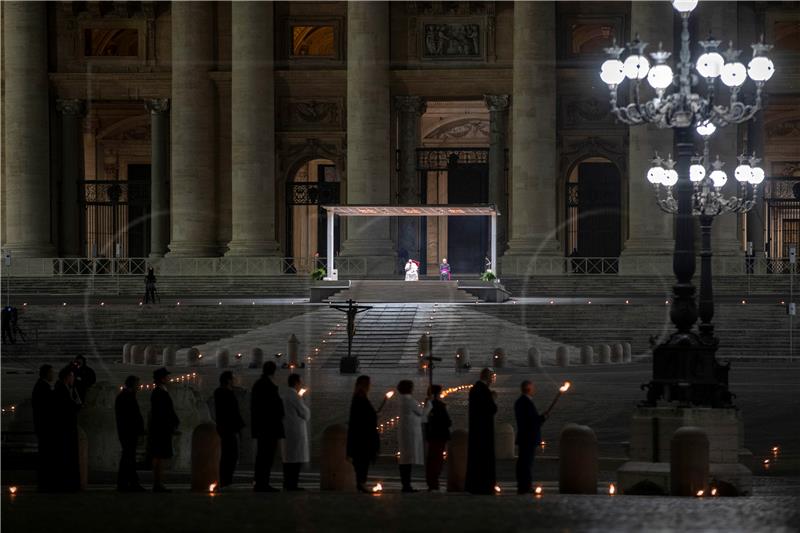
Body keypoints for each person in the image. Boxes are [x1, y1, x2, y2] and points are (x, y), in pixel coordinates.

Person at [346, 375, 386, 493]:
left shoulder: (358, 397)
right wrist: (374, 415)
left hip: (360, 435)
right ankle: (361, 483)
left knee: (361, 460)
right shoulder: (361, 398)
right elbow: (364, 417)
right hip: (363, 436)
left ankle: (361, 482)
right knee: (362, 460)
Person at [251, 361, 284, 492]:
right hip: (269, 427)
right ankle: (262, 483)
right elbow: (273, 407)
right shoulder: (268, 386)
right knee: (266, 456)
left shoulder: (259, 384)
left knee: (262, 456)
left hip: (262, 426)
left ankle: (260, 482)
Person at [465, 367, 498, 495]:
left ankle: (474, 485)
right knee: (484, 460)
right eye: (492, 376)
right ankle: (484, 485)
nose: (493, 379)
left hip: (476, 430)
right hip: (484, 432)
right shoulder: (484, 391)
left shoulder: (475, 389)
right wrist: (493, 399)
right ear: (487, 377)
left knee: (475, 460)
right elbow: (490, 409)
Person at [147, 367, 179, 493]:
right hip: (161, 429)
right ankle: (158, 483)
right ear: (162, 378)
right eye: (166, 376)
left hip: (160, 428)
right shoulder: (159, 393)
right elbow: (164, 411)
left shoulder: (159, 392)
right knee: (159, 456)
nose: (169, 378)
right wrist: (171, 424)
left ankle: (158, 483)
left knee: (159, 456)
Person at [514, 380, 547, 494]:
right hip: (528, 438)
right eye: (533, 388)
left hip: (524, 437)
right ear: (529, 389)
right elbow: (531, 422)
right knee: (526, 463)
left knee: (524, 463)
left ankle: (523, 485)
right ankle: (525, 486)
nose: (534, 390)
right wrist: (541, 418)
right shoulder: (526, 403)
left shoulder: (520, 402)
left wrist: (540, 418)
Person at [52, 366, 82, 491]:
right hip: (65, 429)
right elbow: (72, 407)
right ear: (67, 377)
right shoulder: (62, 390)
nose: (73, 378)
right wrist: (76, 402)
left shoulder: (65, 389)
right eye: (72, 376)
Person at [215, 371, 245, 489]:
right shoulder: (227, 393)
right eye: (233, 378)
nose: (235, 380)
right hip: (229, 428)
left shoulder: (220, 392)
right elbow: (233, 412)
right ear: (228, 380)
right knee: (231, 455)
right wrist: (239, 426)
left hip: (224, 427)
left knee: (227, 455)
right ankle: (226, 480)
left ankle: (225, 479)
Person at [115, 375, 145, 492]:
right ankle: (129, 483)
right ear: (133, 384)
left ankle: (126, 482)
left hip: (127, 431)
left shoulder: (126, 396)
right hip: (128, 432)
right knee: (128, 457)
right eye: (138, 384)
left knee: (128, 457)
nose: (139, 386)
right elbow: (131, 417)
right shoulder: (126, 397)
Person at [281, 373, 310, 491]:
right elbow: (305, 414)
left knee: (288, 460)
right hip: (296, 431)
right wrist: (301, 398)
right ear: (296, 383)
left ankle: (288, 483)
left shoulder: (284, 395)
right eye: (300, 382)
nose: (301, 385)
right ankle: (292, 485)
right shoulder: (295, 396)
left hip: (286, 430)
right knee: (295, 461)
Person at [32, 364, 56, 492]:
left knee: (45, 455)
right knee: (46, 456)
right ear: (46, 374)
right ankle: (45, 483)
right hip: (45, 427)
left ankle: (44, 482)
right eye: (52, 372)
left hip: (42, 426)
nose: (53, 375)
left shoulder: (41, 386)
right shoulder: (43, 388)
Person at [396, 380, 424, 492]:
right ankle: (406, 485)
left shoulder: (402, 400)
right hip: (410, 433)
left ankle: (406, 484)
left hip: (404, 432)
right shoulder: (410, 400)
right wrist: (429, 404)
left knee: (405, 458)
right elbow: (421, 413)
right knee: (407, 460)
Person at [423, 384, 451, 491]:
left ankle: (431, 481)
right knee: (437, 460)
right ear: (438, 393)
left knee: (431, 459)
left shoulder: (428, 405)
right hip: (440, 436)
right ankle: (434, 482)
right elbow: (447, 421)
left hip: (431, 436)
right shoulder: (439, 405)